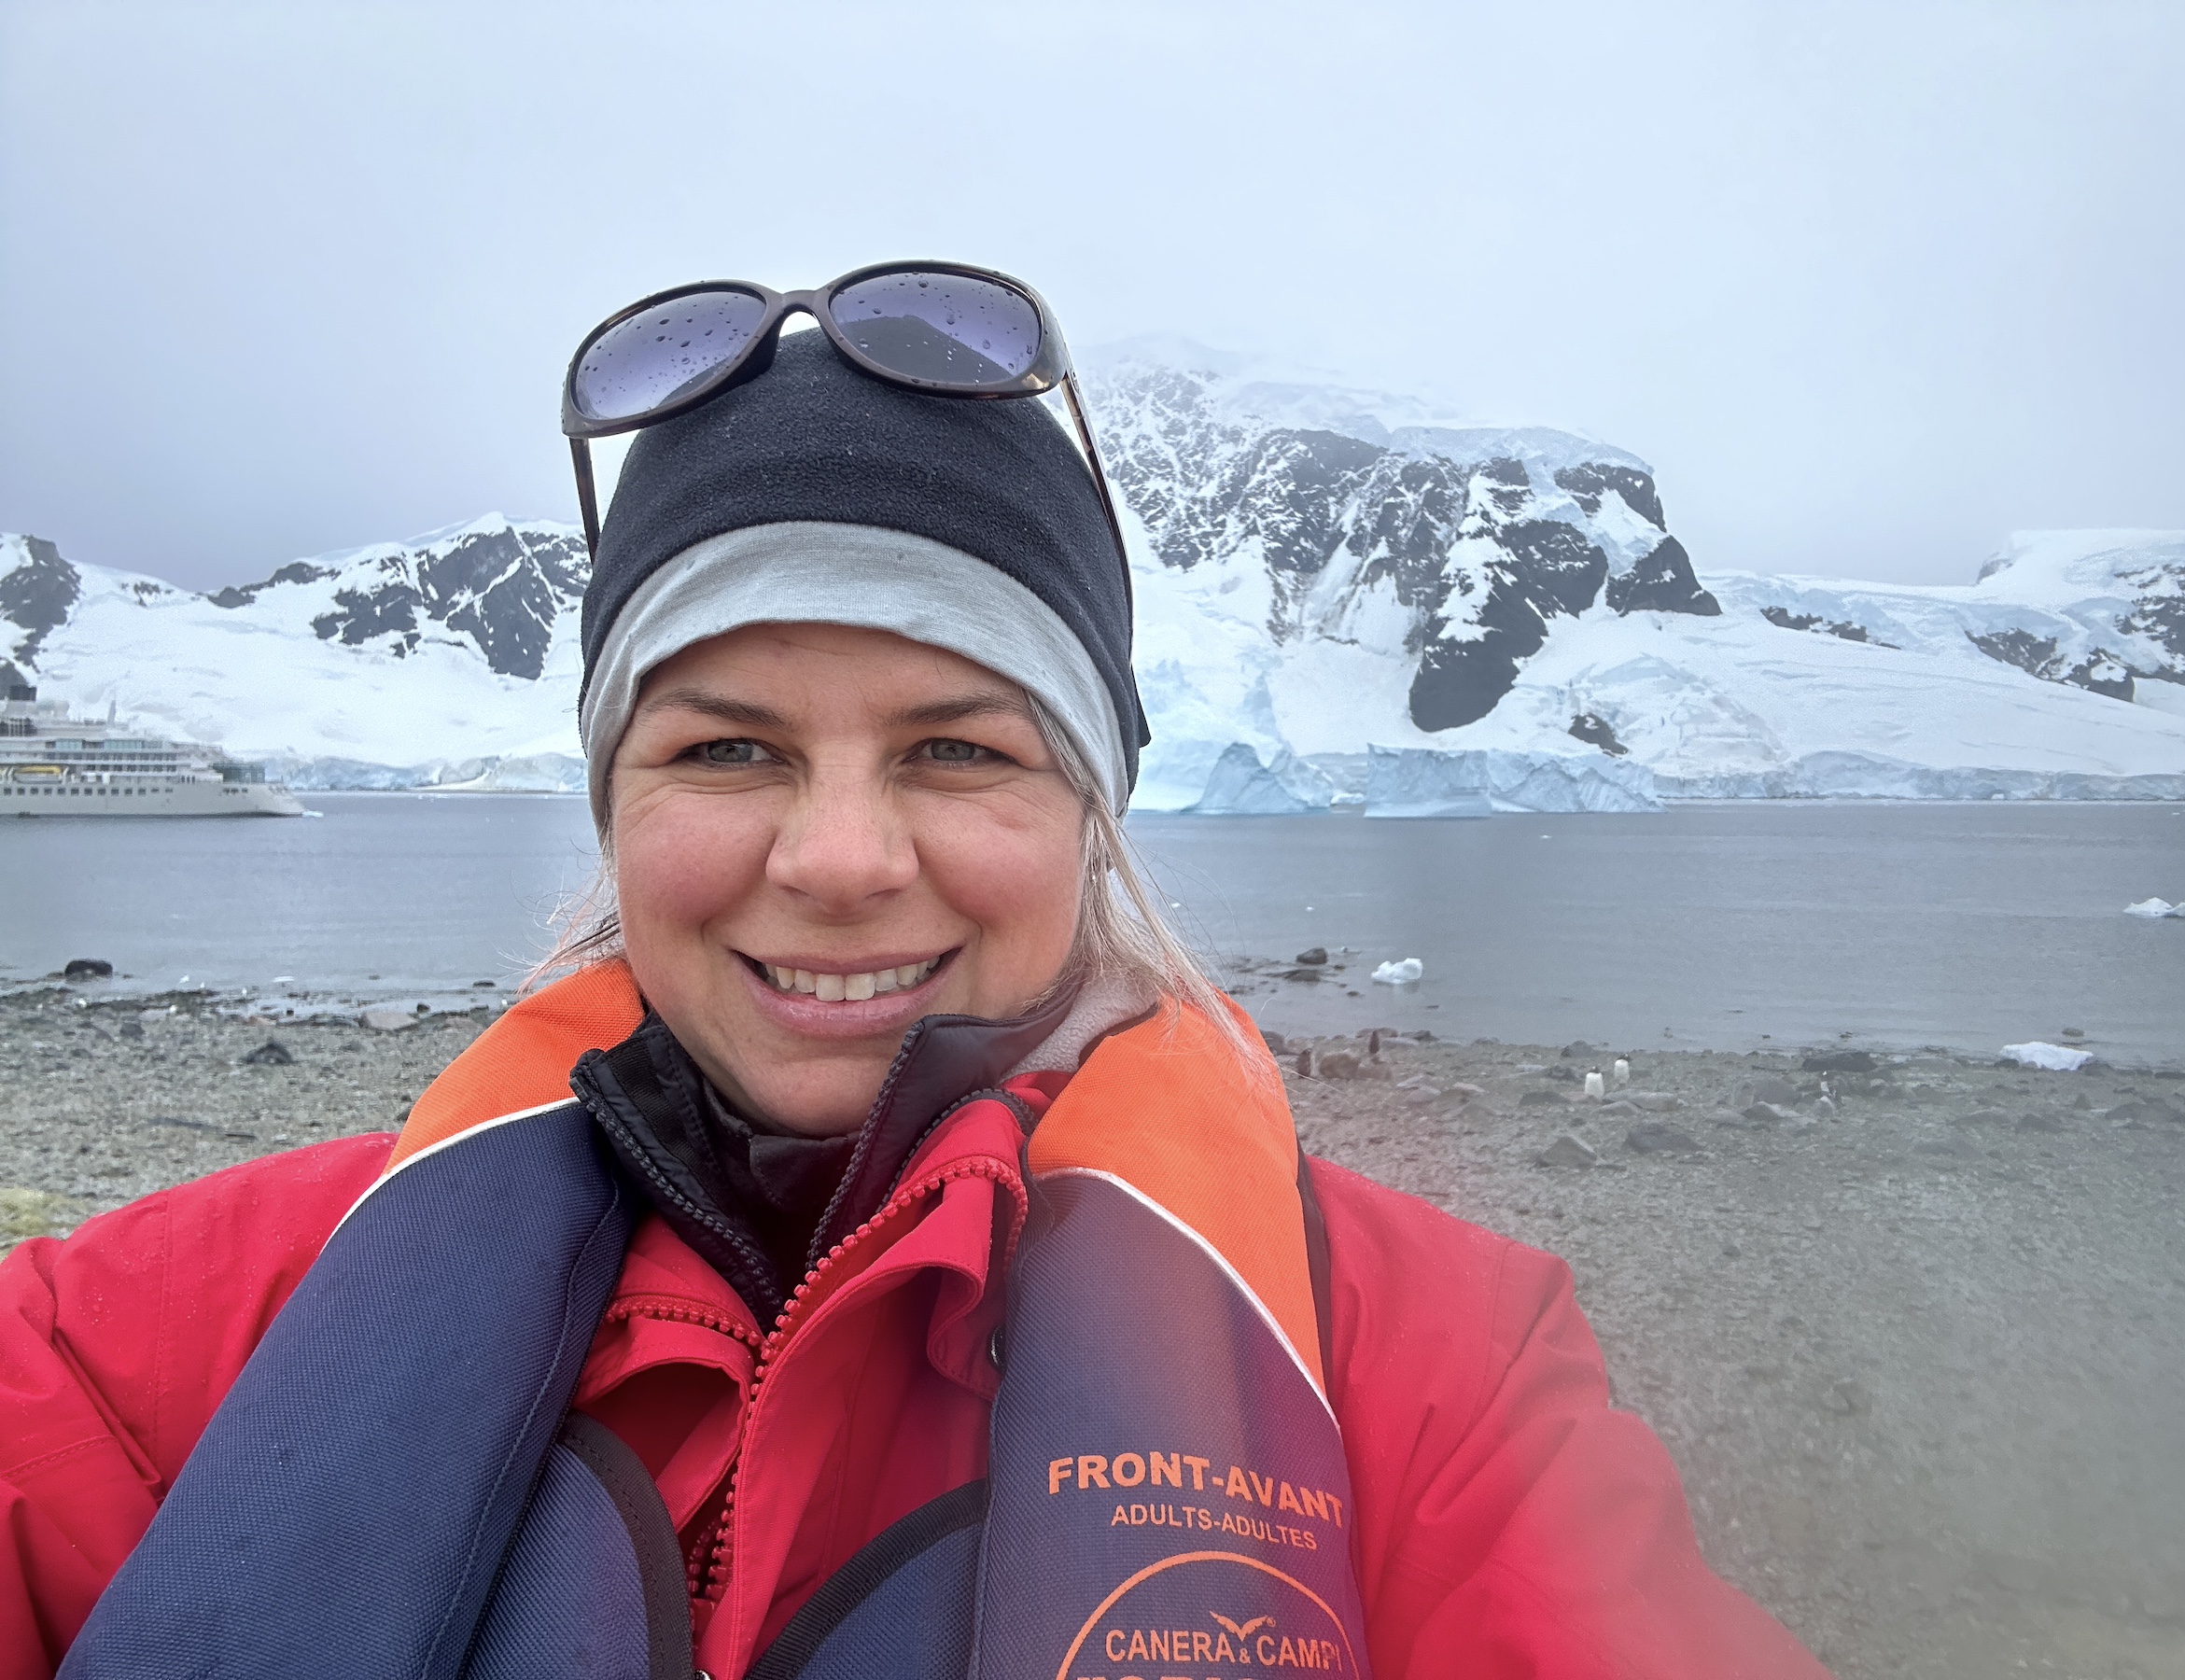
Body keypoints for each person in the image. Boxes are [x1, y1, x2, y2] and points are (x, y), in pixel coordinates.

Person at [0, 265, 1828, 1680]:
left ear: (1093, 814)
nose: (841, 860)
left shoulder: (1430, 1374)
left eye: (958, 749)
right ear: (616, 804)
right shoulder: (137, 1344)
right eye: (728, 749)